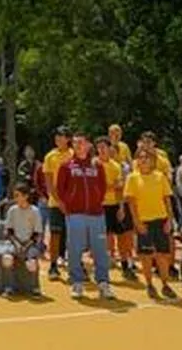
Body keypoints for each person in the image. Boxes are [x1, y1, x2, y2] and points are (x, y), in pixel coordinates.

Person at [56, 132, 114, 300]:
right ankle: (77, 282)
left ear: (88, 145)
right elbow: (61, 189)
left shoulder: (97, 166)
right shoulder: (66, 166)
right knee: (75, 248)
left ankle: (103, 282)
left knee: (100, 250)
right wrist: (70, 203)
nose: (78, 145)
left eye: (81, 142)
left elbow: (102, 188)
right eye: (75, 143)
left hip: (96, 214)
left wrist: (96, 200)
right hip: (75, 214)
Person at [125, 148, 177, 300]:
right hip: (144, 221)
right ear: (136, 161)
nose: (144, 160)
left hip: (160, 220)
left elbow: (167, 200)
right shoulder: (132, 178)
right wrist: (137, 222)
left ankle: (165, 284)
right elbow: (131, 203)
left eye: (147, 157)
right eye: (140, 157)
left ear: (152, 160)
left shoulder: (160, 177)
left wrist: (169, 219)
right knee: (145, 256)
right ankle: (149, 284)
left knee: (163, 255)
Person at [96, 137, 135, 280]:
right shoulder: (94, 164)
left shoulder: (115, 165)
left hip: (114, 205)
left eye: (103, 147)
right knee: (103, 238)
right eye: (99, 147)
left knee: (122, 236)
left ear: (109, 148)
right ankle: (102, 267)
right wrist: (109, 186)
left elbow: (120, 187)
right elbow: (96, 188)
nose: (101, 150)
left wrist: (121, 207)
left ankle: (125, 265)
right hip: (99, 206)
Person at [1, 183, 43, 296]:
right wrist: (17, 244)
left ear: (26, 196)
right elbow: (9, 231)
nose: (15, 198)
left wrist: (26, 245)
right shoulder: (12, 210)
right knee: (7, 259)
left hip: (30, 244)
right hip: (14, 242)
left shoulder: (35, 211)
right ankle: (9, 287)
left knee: (32, 263)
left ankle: (35, 287)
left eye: (18, 195)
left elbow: (37, 233)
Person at [42, 126, 73, 280]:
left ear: (68, 139)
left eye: (62, 136)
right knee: (55, 234)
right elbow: (48, 183)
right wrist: (59, 201)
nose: (58, 139)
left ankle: (76, 264)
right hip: (55, 203)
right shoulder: (50, 156)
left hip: (74, 203)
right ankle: (53, 266)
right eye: (57, 136)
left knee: (75, 235)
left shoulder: (74, 155)